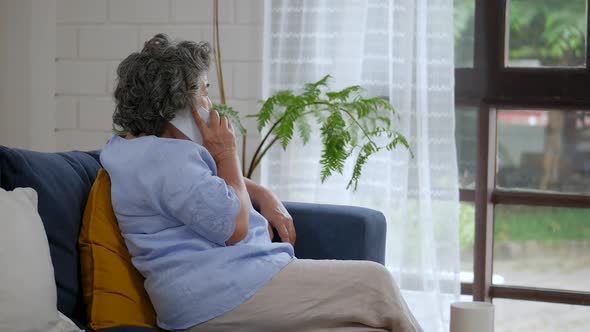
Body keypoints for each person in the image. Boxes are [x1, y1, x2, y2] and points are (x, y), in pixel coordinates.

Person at [100, 34, 422, 332]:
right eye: (204, 91)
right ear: (179, 104)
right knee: (374, 282)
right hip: (219, 294)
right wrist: (227, 151)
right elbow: (233, 225)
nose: (209, 104)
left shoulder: (141, 153)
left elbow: (204, 187)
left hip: (219, 291)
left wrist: (262, 191)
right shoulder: (164, 160)